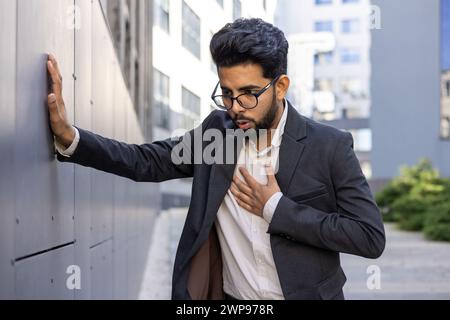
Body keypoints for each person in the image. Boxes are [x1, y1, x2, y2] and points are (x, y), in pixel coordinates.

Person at [46, 18, 385, 300]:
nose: (235, 106)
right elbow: (145, 160)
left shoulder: (329, 146)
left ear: (280, 86)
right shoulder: (217, 133)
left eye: (249, 94)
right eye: (226, 93)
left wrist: (275, 208)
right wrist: (70, 136)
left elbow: (369, 236)